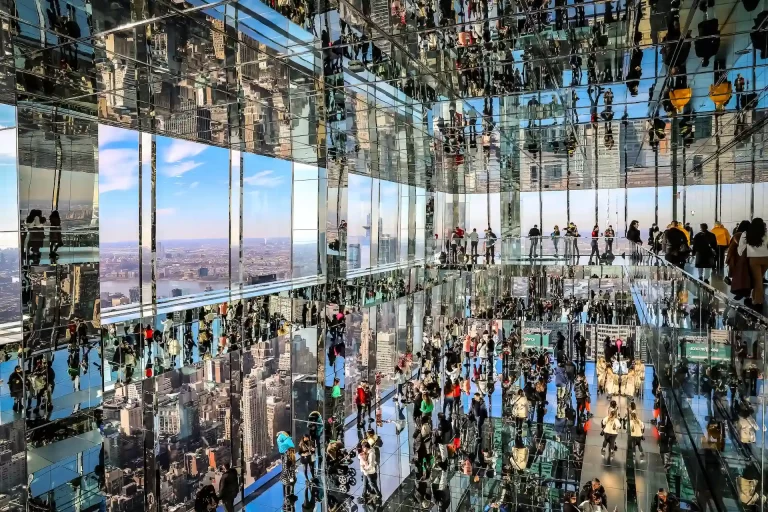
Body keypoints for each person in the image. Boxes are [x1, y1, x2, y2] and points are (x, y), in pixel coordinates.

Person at [739, 218, 768, 309]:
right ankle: (755, 298)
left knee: (757, 280)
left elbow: (741, 248)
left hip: (754, 259)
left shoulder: (746, 234)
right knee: (759, 279)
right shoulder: (766, 234)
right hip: (766, 258)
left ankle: (758, 302)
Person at [727, 220, 752, 301]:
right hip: (744, 258)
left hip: (738, 258)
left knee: (739, 277)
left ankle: (741, 293)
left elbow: (731, 248)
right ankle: (745, 294)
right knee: (745, 276)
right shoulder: (744, 235)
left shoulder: (738, 234)